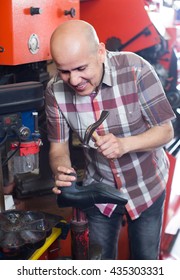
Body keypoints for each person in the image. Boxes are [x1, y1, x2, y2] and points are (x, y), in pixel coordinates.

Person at [45, 20, 176, 260]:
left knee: (145, 260)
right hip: (99, 187)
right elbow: (58, 148)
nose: (74, 80)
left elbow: (166, 131)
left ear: (101, 52)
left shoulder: (136, 69)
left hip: (146, 186)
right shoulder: (55, 91)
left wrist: (125, 144)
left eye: (81, 68)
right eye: (65, 71)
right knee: (99, 262)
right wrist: (62, 171)